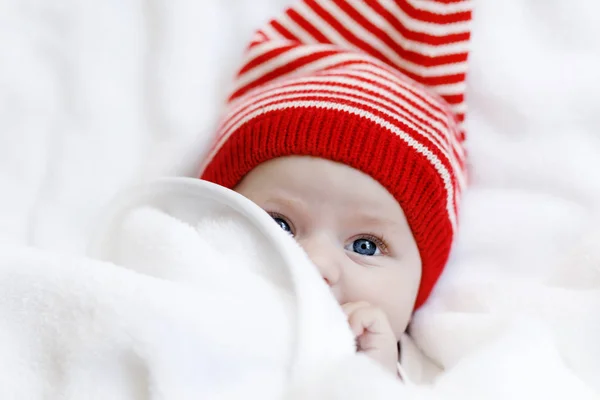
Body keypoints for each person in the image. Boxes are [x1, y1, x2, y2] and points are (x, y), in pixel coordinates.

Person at [199, 0, 472, 379]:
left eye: (366, 246)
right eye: (280, 224)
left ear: (418, 293)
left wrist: (369, 378)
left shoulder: (428, 373)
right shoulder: (179, 287)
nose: (315, 263)